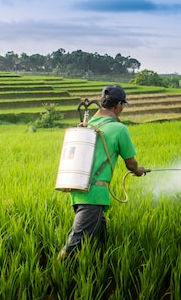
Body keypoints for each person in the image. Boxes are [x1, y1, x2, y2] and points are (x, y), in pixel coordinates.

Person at [58, 84, 147, 260]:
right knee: (76, 242)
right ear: (119, 105)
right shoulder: (119, 129)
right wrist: (138, 170)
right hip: (94, 194)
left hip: (77, 189)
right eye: (123, 105)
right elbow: (131, 163)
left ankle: (103, 260)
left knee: (100, 234)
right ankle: (54, 274)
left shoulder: (88, 125)